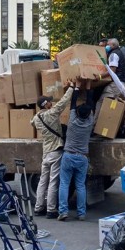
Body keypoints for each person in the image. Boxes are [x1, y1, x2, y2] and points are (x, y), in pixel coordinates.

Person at [32, 82, 73, 219]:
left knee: (43, 180)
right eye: (49, 102)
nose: (51, 103)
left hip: (46, 152)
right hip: (56, 151)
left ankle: (38, 208)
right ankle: (50, 210)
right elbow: (63, 102)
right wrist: (72, 88)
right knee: (53, 181)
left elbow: (31, 122)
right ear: (46, 105)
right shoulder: (51, 114)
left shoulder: (37, 118)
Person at [58, 79, 95, 221]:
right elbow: (90, 103)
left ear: (77, 113)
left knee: (64, 184)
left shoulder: (72, 120)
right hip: (82, 158)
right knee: (80, 186)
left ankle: (63, 211)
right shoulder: (89, 122)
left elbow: (72, 102)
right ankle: (81, 213)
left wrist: (77, 87)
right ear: (89, 114)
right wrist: (89, 85)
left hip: (68, 156)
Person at [95, 38, 125, 117]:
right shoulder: (119, 52)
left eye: (108, 45)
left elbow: (112, 71)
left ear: (113, 45)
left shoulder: (113, 54)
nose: (106, 46)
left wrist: (100, 76)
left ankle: (96, 124)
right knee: (112, 104)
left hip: (115, 84)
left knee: (101, 102)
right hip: (121, 83)